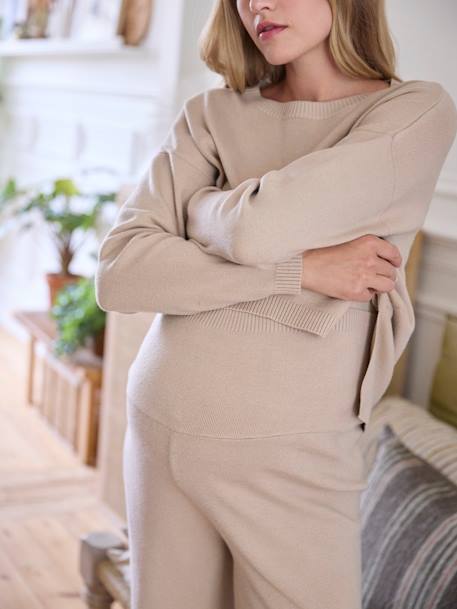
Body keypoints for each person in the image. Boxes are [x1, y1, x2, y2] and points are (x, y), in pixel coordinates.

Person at [95, 1, 457, 607]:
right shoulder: (209, 112)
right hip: (160, 419)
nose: (257, 3)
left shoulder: (411, 111)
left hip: (290, 452)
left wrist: (202, 208)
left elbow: (256, 229)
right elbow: (119, 273)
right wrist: (301, 272)